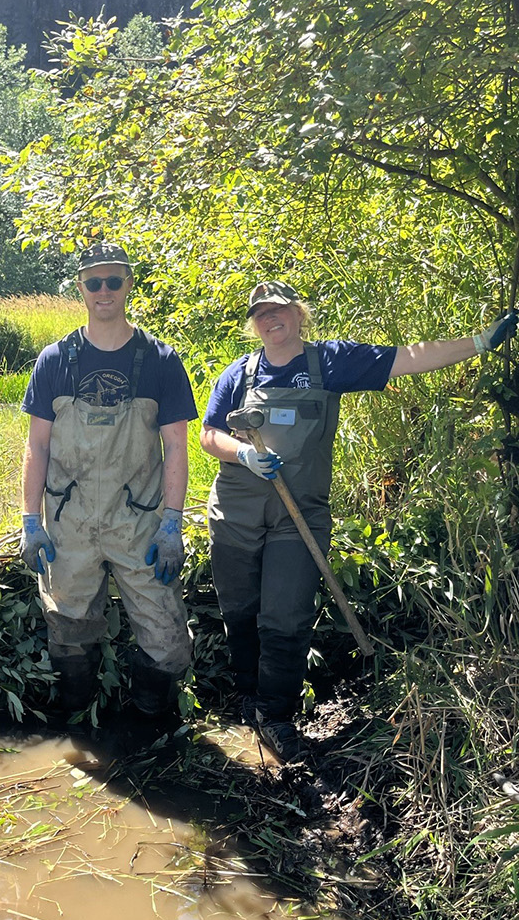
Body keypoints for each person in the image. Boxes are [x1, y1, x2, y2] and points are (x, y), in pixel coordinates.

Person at [200, 279, 519, 763]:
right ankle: (248, 696)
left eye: (279, 309)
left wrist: (478, 343)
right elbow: (208, 435)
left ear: (298, 314)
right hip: (236, 509)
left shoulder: (330, 362)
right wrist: (243, 452)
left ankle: (276, 715)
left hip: (298, 514)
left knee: (285, 615)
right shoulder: (237, 373)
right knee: (240, 610)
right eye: (261, 313)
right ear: (254, 323)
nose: (271, 319)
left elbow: (407, 358)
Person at [20, 243, 197, 719]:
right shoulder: (55, 359)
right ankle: (81, 727)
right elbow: (36, 446)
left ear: (128, 285)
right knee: (69, 630)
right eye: (93, 282)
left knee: (167, 640)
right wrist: (29, 521)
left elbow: (176, 448)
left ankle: (146, 726)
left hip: (138, 521)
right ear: (80, 287)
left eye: (113, 281)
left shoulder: (159, 359)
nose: (103, 291)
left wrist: (172, 523)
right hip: (68, 522)